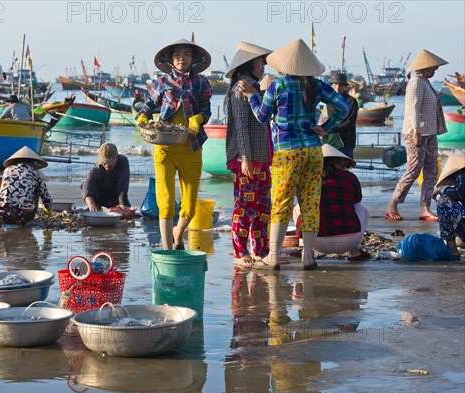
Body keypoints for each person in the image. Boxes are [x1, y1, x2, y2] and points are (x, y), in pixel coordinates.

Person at [238, 39, 350, 270]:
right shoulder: (317, 86)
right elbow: (344, 107)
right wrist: (326, 128)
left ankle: (274, 256)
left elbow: (261, 117)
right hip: (312, 151)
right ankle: (307, 257)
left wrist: (251, 95)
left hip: (287, 152)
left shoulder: (277, 87)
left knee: (281, 203)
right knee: (310, 203)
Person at [135, 38, 213, 250]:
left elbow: (207, 109)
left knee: (189, 207)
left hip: (191, 147)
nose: (182, 58)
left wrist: (198, 119)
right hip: (164, 149)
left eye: (187, 54)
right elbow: (147, 107)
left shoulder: (201, 82)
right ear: (170, 59)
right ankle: (168, 250)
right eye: (177, 54)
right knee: (166, 202)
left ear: (193, 58)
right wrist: (142, 119)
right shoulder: (160, 83)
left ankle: (178, 234)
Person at [224, 41, 273, 269]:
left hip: (261, 156)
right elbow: (241, 127)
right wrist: (244, 157)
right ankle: (240, 251)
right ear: (249, 63)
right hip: (247, 157)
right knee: (244, 207)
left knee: (263, 207)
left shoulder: (254, 87)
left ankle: (261, 250)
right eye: (260, 61)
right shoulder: (240, 89)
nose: (263, 65)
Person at [384, 49, 448, 222]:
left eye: (435, 68)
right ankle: (393, 203)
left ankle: (425, 208)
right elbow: (413, 108)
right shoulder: (416, 82)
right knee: (413, 170)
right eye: (432, 67)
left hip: (430, 133)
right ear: (424, 67)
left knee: (431, 170)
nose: (434, 71)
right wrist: (416, 132)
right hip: (416, 133)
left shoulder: (426, 82)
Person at [293, 144, 370, 261]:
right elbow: (357, 199)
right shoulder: (350, 177)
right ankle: (354, 251)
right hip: (349, 241)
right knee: (359, 207)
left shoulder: (309, 178)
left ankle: (306, 250)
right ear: (339, 161)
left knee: (299, 206)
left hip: (314, 242)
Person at [0, 146, 52, 225]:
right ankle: (28, 221)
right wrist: (49, 212)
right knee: (36, 187)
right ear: (32, 162)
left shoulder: (7, 170)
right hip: (24, 217)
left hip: (2, 214)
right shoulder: (35, 173)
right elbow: (46, 199)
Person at [81, 143, 131, 212]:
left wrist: (122, 205)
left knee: (126, 208)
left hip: (115, 196)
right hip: (99, 197)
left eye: (110, 163)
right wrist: (91, 204)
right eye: (104, 163)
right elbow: (86, 189)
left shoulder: (123, 162)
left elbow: (123, 187)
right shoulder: (96, 170)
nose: (107, 166)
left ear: (116, 158)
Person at [432, 153, 465, 259]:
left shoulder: (462, 175)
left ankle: (452, 249)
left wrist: (442, 189)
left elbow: (459, 192)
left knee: (443, 201)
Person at [326, 73, 359, 158]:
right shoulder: (330, 102)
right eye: (335, 84)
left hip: (347, 140)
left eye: (340, 84)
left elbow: (350, 122)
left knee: (344, 165)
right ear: (332, 85)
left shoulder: (351, 101)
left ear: (345, 86)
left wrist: (334, 129)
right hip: (333, 140)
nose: (337, 87)